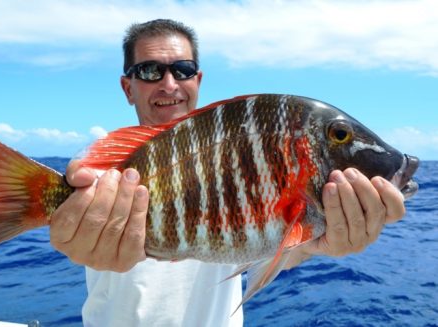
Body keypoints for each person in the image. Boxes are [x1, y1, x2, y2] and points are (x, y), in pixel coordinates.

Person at [49, 19, 406, 326]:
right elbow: (76, 228)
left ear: (198, 80)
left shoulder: (240, 153)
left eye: (183, 69)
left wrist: (321, 243)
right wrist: (73, 234)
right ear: (128, 87)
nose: (169, 84)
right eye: (149, 71)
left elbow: (272, 245)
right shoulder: (98, 168)